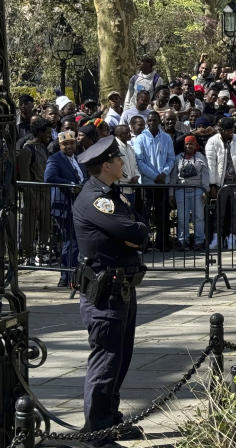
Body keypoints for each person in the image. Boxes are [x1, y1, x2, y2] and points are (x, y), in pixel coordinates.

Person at [73, 136, 150, 444]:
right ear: (106, 165)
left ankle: (110, 419)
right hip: (105, 293)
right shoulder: (95, 198)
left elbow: (140, 229)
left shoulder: (115, 194)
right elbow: (130, 231)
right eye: (118, 159)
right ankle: (97, 429)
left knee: (120, 359)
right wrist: (134, 233)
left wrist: (135, 233)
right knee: (105, 360)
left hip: (123, 289)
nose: (123, 163)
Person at [45, 130, 87, 286]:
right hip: (63, 206)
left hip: (78, 206)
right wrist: (70, 185)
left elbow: (83, 176)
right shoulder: (55, 159)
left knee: (74, 242)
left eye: (71, 143)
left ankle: (70, 276)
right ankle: (67, 276)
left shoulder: (78, 158)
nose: (69, 146)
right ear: (60, 145)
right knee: (70, 242)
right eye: (65, 144)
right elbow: (49, 177)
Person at [132, 111, 175, 250]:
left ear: (159, 121)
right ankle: (144, 243)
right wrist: (154, 176)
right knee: (144, 214)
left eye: (155, 120)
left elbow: (171, 158)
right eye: (149, 120)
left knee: (162, 213)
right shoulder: (140, 138)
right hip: (147, 183)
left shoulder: (166, 138)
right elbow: (140, 161)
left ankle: (162, 243)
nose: (152, 123)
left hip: (162, 183)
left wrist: (164, 173)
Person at [16, 118, 53, 264]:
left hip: (45, 191)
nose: (50, 135)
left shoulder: (44, 148)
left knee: (45, 224)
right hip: (32, 192)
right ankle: (28, 254)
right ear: (39, 132)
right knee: (29, 225)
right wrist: (29, 196)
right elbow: (25, 176)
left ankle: (41, 252)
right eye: (48, 132)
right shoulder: (28, 149)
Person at [206, 117, 236, 250]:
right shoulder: (212, 141)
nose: (231, 132)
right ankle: (217, 237)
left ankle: (232, 237)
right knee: (219, 212)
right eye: (228, 130)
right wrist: (212, 184)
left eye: (232, 130)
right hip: (220, 183)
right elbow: (211, 164)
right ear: (221, 130)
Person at [172, 135, 209, 250]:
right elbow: (173, 177)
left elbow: (205, 175)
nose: (189, 146)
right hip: (181, 190)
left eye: (191, 144)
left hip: (197, 190)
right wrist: (170, 193)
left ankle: (199, 241)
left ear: (195, 145)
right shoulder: (178, 158)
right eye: (187, 144)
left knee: (199, 217)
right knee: (182, 217)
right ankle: (183, 240)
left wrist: (205, 191)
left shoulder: (200, 157)